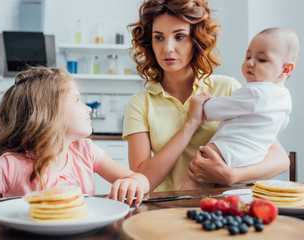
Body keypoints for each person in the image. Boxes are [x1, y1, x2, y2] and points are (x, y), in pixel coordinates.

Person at [123, 0, 290, 192]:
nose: (168, 48)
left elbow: (280, 160)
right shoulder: (140, 103)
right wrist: (191, 124)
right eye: (159, 37)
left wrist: (232, 175)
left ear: (196, 40)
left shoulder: (228, 88)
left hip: (221, 209)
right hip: (163, 210)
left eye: (179, 37)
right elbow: (142, 181)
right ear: (149, 43)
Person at [0, 66, 149, 207]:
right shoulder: (11, 165)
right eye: (77, 100)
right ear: (49, 112)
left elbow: (142, 179)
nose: (88, 109)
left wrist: (133, 183)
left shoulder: (86, 151)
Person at [181, 27, 301, 189]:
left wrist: (202, 104)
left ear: (285, 69)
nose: (250, 63)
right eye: (248, 56)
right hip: (254, 159)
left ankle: (183, 204)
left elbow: (214, 111)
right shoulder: (285, 98)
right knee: (230, 195)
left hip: (227, 149)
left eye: (261, 60)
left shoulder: (255, 92)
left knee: (196, 172)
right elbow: (281, 124)